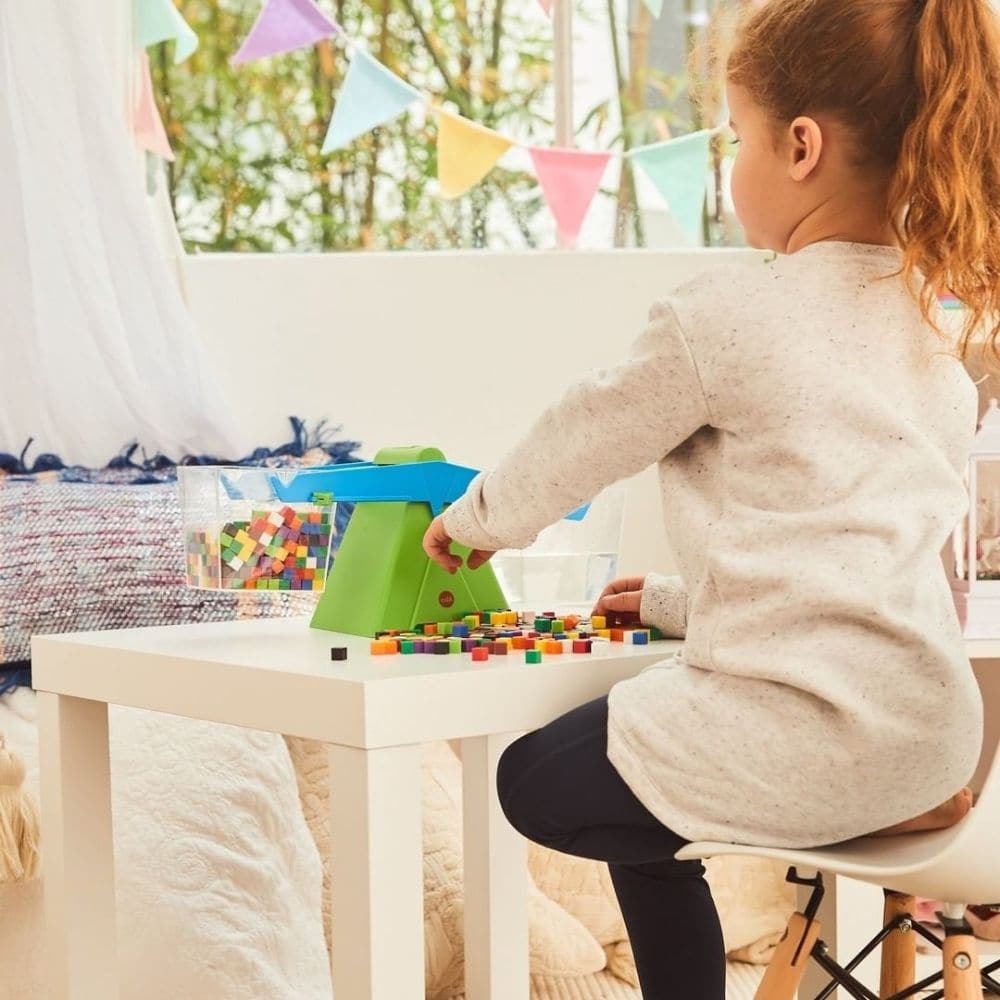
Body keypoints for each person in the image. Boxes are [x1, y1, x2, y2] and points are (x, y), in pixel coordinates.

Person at [422, 0, 1000, 994]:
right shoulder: (932, 333)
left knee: (535, 777)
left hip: (821, 740)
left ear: (801, 146)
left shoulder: (729, 316)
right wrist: (668, 604)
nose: (732, 167)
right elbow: (849, 571)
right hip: (937, 747)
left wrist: (477, 521)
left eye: (738, 138)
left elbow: (584, 430)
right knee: (638, 769)